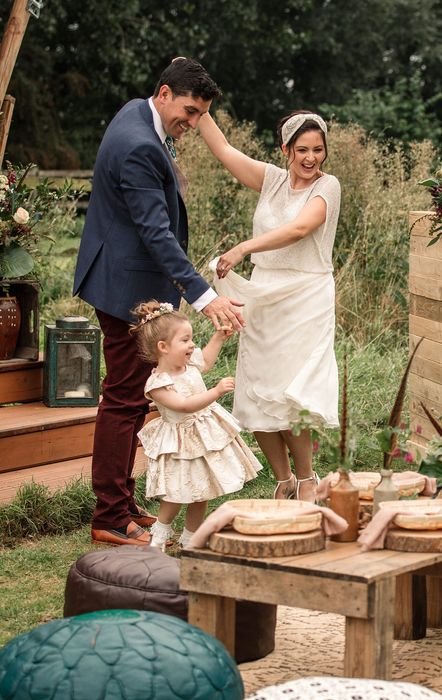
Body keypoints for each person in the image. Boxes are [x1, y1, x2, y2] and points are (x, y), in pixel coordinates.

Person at [73, 58, 245, 546]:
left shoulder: (138, 112)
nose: (191, 124)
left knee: (129, 398)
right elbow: (155, 233)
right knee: (125, 400)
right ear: (165, 93)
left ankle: (123, 503)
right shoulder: (138, 146)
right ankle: (109, 514)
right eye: (188, 112)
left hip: (126, 277)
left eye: (199, 117)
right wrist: (205, 296)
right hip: (126, 287)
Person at [198, 109, 340, 503]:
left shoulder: (328, 187)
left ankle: (308, 478)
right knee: (258, 386)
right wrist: (203, 109)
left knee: (292, 390)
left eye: (318, 150)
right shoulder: (272, 180)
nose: (310, 158)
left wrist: (243, 246)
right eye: (301, 150)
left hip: (306, 296)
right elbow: (224, 150)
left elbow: (299, 229)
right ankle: (284, 480)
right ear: (286, 150)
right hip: (264, 294)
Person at [130, 300, 262, 549]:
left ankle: (191, 536)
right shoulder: (159, 383)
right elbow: (183, 405)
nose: (192, 345)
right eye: (185, 340)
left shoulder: (189, 364)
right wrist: (216, 391)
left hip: (204, 437)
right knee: (176, 492)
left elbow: (207, 361)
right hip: (180, 444)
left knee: (203, 489)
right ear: (163, 347)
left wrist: (219, 338)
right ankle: (160, 533)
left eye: (191, 339)